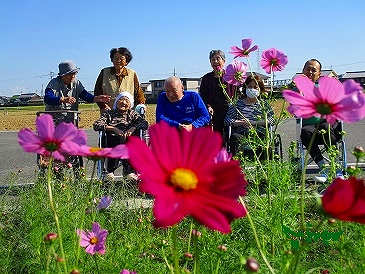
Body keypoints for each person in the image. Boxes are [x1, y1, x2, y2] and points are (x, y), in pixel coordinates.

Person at [296, 59, 343, 182]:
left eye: (314, 70)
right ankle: (324, 169)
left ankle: (337, 169)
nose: (310, 72)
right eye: (308, 69)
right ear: (302, 71)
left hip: (326, 124)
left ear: (319, 74)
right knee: (305, 131)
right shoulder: (295, 89)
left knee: (325, 126)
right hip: (310, 128)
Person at [93, 92, 148, 181]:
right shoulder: (109, 114)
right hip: (113, 139)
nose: (124, 102)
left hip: (129, 139)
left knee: (130, 141)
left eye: (127, 101)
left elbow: (144, 123)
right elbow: (97, 125)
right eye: (121, 99)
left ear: (130, 104)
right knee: (119, 139)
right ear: (116, 102)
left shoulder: (132, 114)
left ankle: (129, 171)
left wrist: (133, 128)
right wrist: (113, 129)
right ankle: (111, 171)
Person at [44, 60, 111, 124]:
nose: (73, 76)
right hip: (54, 121)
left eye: (74, 73)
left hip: (70, 121)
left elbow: (85, 95)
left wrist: (96, 98)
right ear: (62, 75)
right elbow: (48, 98)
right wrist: (62, 99)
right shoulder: (54, 83)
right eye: (70, 74)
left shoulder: (76, 83)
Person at [224, 74, 275, 156]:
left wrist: (253, 123)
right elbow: (227, 120)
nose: (252, 89)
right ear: (245, 88)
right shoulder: (237, 104)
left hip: (259, 133)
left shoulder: (263, 105)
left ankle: (263, 166)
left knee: (266, 140)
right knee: (234, 138)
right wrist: (240, 122)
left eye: (256, 87)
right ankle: (238, 166)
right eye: (250, 86)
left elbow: (272, 120)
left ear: (260, 89)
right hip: (242, 133)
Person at [94, 47, 146, 113]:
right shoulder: (104, 72)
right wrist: (104, 106)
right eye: (116, 58)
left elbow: (138, 93)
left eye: (122, 59)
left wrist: (141, 105)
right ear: (112, 60)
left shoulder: (132, 74)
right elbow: (97, 92)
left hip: (128, 113)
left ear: (126, 61)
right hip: (108, 112)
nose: (118, 61)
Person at [199, 50, 235, 138]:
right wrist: (208, 106)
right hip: (213, 112)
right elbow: (202, 95)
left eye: (218, 59)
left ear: (224, 61)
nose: (215, 62)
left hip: (229, 111)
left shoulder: (230, 76)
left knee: (229, 135)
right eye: (212, 59)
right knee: (216, 135)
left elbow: (237, 92)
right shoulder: (206, 78)